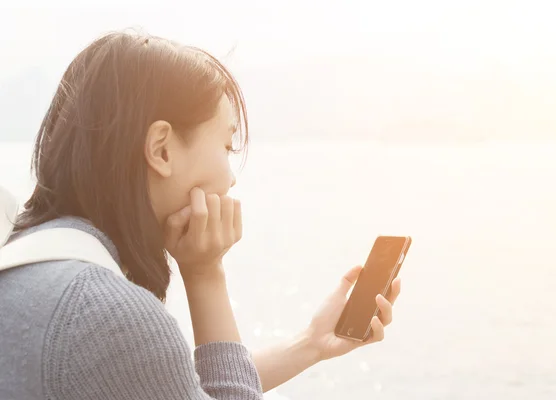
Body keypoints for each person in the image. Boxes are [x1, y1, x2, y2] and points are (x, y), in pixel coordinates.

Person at [0, 30, 401, 399]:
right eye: (227, 146)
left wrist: (310, 343)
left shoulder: (28, 266)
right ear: (161, 149)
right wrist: (206, 274)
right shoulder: (107, 316)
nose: (229, 180)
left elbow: (168, 385)